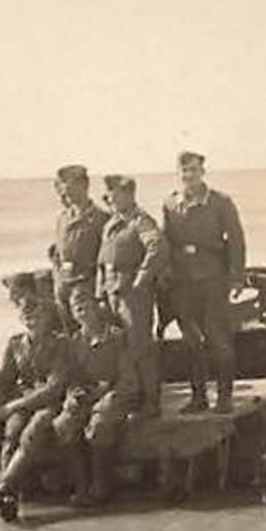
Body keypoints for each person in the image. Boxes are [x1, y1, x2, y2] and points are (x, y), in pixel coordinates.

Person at [161, 150, 246, 413]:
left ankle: (224, 398)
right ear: (178, 173)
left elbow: (236, 240)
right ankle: (199, 398)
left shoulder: (220, 202)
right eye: (184, 171)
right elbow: (165, 242)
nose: (189, 176)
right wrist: (165, 272)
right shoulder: (170, 203)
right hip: (183, 282)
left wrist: (237, 277)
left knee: (218, 338)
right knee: (191, 341)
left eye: (194, 170)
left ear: (202, 172)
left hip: (212, 278)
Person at [0, 295, 77, 522]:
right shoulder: (15, 344)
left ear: (48, 319)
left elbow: (54, 387)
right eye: (26, 316)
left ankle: (5, 486)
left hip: (51, 404)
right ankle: (9, 496)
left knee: (31, 434)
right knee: (10, 433)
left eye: (37, 316)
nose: (31, 320)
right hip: (23, 402)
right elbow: (4, 382)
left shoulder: (61, 344)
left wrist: (15, 405)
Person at [57, 294, 138, 507]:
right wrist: (73, 396)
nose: (82, 312)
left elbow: (127, 378)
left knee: (100, 424)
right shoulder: (75, 342)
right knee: (65, 423)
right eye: (77, 309)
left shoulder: (116, 337)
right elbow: (71, 378)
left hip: (116, 394)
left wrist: (109, 395)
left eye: (86, 307)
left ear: (97, 310)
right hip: (88, 394)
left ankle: (102, 486)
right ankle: (81, 485)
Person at [98, 174, 167, 418]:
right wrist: (100, 293)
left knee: (141, 347)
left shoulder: (141, 222)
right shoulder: (112, 224)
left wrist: (141, 279)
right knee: (122, 348)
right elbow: (104, 261)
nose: (110, 199)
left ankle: (151, 402)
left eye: (114, 195)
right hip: (112, 293)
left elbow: (157, 247)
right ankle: (132, 399)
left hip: (132, 295)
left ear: (129, 195)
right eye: (108, 195)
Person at [48, 163, 109, 330]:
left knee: (91, 334)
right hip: (63, 285)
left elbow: (106, 258)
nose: (63, 190)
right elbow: (59, 252)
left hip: (86, 287)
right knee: (69, 334)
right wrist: (58, 276)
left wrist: (100, 292)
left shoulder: (101, 218)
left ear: (84, 185)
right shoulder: (63, 218)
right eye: (61, 185)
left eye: (67, 184)